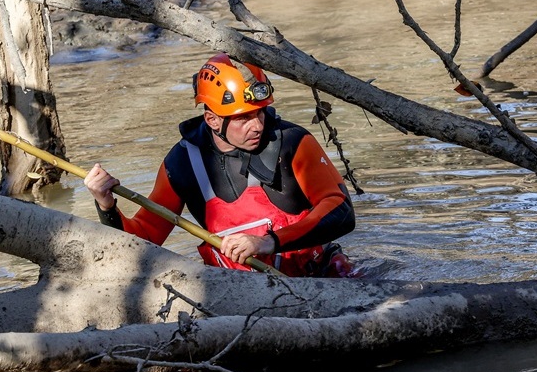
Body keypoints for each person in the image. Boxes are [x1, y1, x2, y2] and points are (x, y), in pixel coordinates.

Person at [84, 53, 357, 277]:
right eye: (243, 118)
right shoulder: (181, 163)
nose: (258, 126)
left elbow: (341, 211)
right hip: (237, 289)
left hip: (316, 277)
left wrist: (268, 242)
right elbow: (141, 242)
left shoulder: (293, 143)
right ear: (212, 120)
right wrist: (106, 205)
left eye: (260, 112)